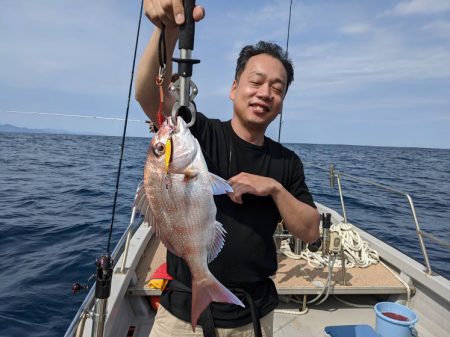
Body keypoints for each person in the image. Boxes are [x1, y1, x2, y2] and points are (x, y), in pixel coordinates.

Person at [135, 1, 320, 336]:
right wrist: (167, 30)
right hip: (181, 314)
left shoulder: (287, 162)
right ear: (234, 88)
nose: (265, 93)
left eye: (277, 89)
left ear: (281, 102)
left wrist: (274, 188)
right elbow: (148, 95)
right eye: (256, 81)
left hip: (252, 316)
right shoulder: (198, 133)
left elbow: (310, 232)